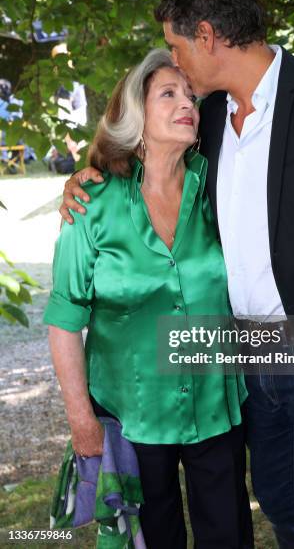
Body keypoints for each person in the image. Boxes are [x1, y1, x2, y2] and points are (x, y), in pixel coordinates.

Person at [58, 0, 294, 548]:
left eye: (176, 45)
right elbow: (148, 163)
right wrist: (87, 170)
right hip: (244, 356)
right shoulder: (211, 119)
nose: (178, 66)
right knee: (284, 505)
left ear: (206, 36)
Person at [44, 49, 253, 549]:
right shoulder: (91, 204)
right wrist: (80, 419)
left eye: (190, 96)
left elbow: (280, 227)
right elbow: (64, 319)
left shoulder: (218, 188)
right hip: (130, 413)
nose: (188, 104)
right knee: (149, 540)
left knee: (229, 536)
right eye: (169, 94)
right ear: (135, 116)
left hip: (215, 406)